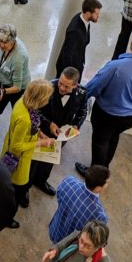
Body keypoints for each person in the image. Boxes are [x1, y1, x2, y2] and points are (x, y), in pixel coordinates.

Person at [75, 33, 132, 175]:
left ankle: (96, 174)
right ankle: (105, 166)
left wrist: (79, 100)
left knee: (100, 142)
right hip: (130, 116)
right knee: (113, 138)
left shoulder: (115, 66)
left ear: (131, 45)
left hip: (107, 115)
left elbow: (94, 86)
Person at [1, 80, 55, 217]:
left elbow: (33, 125)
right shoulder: (24, 119)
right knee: (17, 190)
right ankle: (7, 217)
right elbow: (16, 146)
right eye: (47, 97)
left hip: (15, 146)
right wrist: (39, 143)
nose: (48, 100)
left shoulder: (23, 102)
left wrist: (40, 134)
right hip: (19, 159)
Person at [32, 68, 89, 196]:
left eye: (66, 86)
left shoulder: (82, 93)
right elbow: (36, 111)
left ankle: (41, 181)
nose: (62, 88)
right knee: (34, 159)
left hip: (62, 133)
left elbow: (83, 111)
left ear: (75, 85)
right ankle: (26, 186)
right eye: (60, 83)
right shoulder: (48, 86)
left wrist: (76, 126)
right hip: (42, 130)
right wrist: (49, 123)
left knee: (51, 158)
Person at [48, 166, 109, 243]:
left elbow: (59, 196)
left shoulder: (69, 181)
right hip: (68, 246)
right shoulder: (99, 215)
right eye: (107, 182)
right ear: (97, 188)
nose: (108, 184)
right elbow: (97, 240)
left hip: (55, 230)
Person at [55, 0, 101, 78]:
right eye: (96, 14)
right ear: (88, 13)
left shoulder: (84, 19)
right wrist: (71, 77)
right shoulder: (75, 32)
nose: (98, 16)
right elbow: (67, 56)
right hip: (69, 72)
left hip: (77, 62)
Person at [0, 23, 31, 115]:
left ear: (12, 41)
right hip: (6, 81)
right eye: (0, 41)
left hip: (18, 89)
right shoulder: (9, 41)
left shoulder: (18, 58)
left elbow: (17, 87)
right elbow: (5, 60)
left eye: (5, 43)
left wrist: (2, 91)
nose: (1, 45)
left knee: (17, 114)